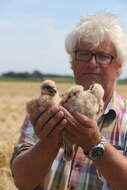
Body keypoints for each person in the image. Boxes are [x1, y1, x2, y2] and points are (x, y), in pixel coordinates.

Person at [11, 11, 127, 190]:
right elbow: (22, 181)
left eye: (103, 56)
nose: (92, 63)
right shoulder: (46, 108)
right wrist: (49, 141)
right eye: (84, 54)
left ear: (119, 65)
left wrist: (95, 144)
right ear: (72, 62)